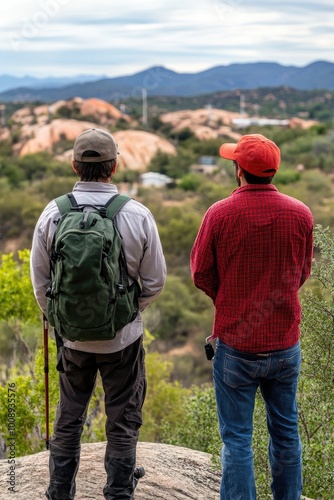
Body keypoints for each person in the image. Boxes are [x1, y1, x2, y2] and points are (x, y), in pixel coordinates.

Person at [30, 128, 166, 500]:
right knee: (122, 418)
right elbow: (155, 282)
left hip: (71, 339)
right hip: (123, 340)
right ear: (115, 167)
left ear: (75, 165)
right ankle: (119, 491)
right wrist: (124, 313)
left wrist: (65, 319)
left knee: (69, 415)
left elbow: (40, 284)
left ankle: (60, 491)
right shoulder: (136, 214)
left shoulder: (52, 214)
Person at [190, 134, 313, 500]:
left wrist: (228, 301)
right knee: (287, 432)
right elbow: (302, 271)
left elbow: (200, 273)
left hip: (236, 347)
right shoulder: (301, 213)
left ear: (239, 170)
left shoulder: (219, 213)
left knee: (238, 439)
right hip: (284, 343)